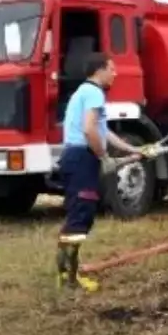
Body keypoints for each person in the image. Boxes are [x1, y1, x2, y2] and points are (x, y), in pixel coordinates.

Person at [56, 52, 142, 292]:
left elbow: (104, 132)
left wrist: (134, 149)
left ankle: (65, 274)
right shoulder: (94, 93)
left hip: (75, 158)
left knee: (77, 214)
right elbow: (89, 129)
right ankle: (69, 280)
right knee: (81, 216)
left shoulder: (83, 93)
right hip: (83, 158)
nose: (115, 73)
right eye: (112, 69)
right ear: (99, 70)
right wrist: (103, 157)